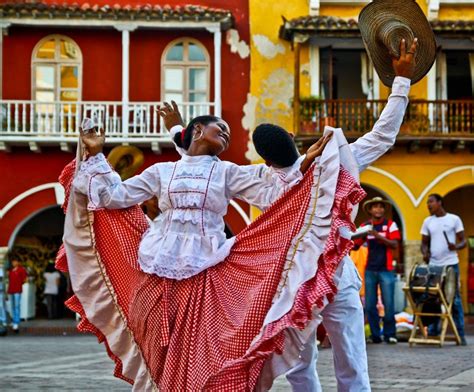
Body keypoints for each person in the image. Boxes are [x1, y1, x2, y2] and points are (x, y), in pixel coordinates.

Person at [57, 104, 364, 390]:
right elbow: (113, 197)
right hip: (157, 270)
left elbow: (272, 193)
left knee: (211, 346)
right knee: (159, 345)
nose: (227, 134)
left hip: (209, 272)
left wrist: (302, 162)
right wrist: (96, 155)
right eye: (220, 128)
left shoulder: (227, 172)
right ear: (199, 131)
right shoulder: (161, 172)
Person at [250, 36, 416, 391]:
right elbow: (383, 135)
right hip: (336, 273)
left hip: (292, 281)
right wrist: (401, 80)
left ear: (266, 160)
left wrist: (179, 136)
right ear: (294, 138)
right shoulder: (336, 165)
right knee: (352, 358)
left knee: (298, 362)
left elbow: (204, 174)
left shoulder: (261, 183)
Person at [421, 193, 467, 345]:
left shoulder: (454, 219)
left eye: (431, 202)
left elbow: (464, 241)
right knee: (433, 298)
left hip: (451, 264)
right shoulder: (427, 221)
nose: (428, 205)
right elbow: (424, 243)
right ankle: (434, 333)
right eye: (427, 203)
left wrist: (456, 246)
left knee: (454, 299)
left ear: (439, 203)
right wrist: (425, 253)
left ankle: (460, 334)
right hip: (434, 265)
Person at [355, 197, 401, 344]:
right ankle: (375, 336)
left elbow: (394, 244)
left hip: (386, 270)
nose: (378, 209)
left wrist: (377, 236)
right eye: (375, 207)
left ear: (384, 209)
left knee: (389, 304)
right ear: (370, 210)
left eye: (381, 207)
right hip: (370, 270)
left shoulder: (390, 225)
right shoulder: (365, 225)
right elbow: (355, 245)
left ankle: (390, 334)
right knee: (369, 305)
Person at [7, 258, 28, 333]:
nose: (14, 262)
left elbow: (25, 279)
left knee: (17, 306)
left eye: (15, 261)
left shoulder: (21, 269)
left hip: (17, 290)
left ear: (18, 262)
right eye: (13, 261)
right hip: (10, 290)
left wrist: (19, 284)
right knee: (12, 306)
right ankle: (13, 321)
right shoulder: (10, 270)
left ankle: (16, 322)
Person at [0, 267, 7, 336]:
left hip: (0, 292)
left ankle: (3, 322)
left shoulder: (1, 269)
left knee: (1, 307)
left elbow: (2, 280)